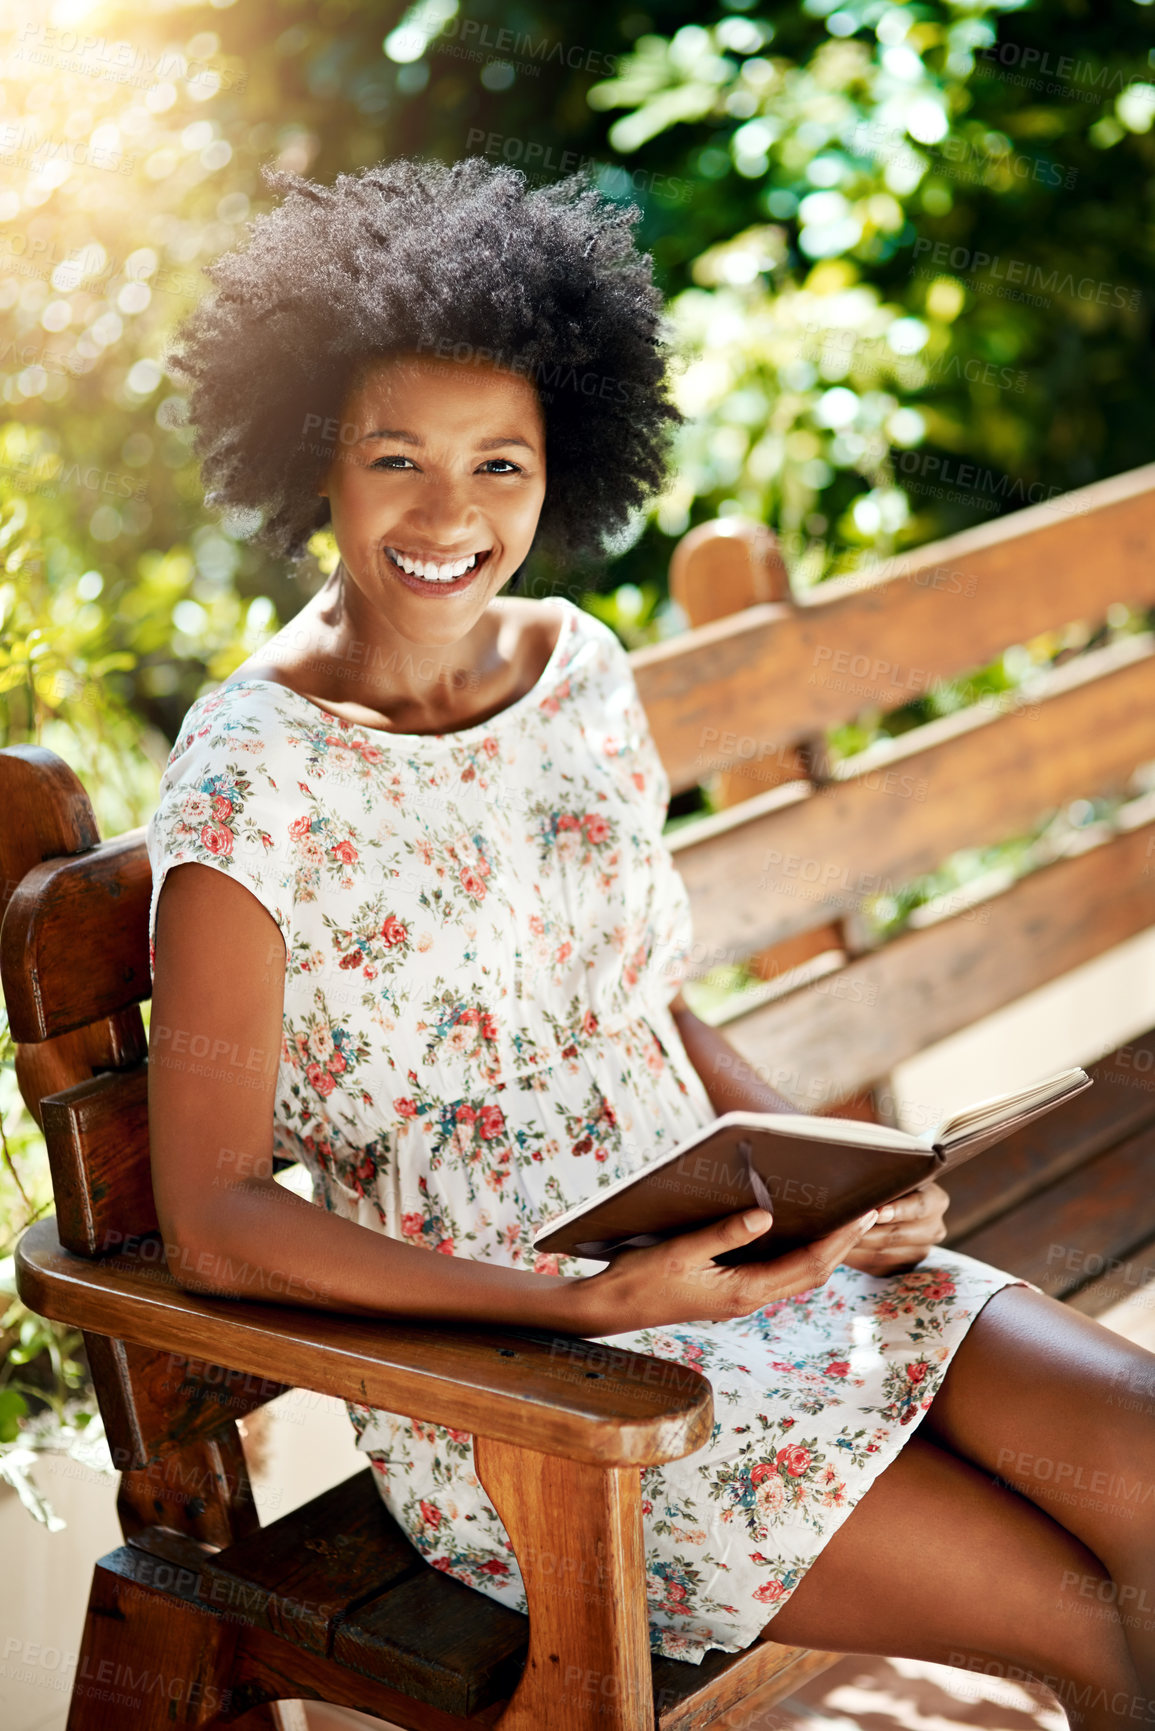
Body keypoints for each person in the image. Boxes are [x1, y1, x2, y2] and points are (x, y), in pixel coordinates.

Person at [147, 156, 1155, 1727]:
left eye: (501, 467)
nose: (447, 516)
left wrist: (835, 1180)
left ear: (566, 469)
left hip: (745, 1265)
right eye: (396, 457)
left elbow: (646, 1004)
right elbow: (209, 1221)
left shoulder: (577, 670)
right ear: (314, 458)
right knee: (1091, 1630)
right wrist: (581, 1310)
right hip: (533, 1387)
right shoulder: (253, 775)